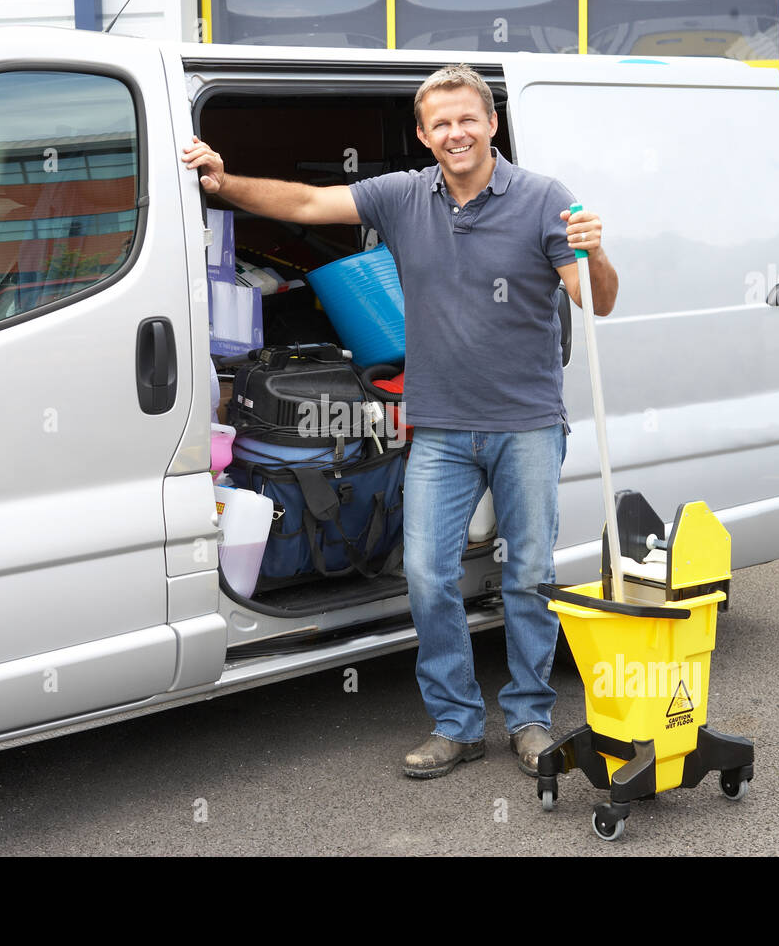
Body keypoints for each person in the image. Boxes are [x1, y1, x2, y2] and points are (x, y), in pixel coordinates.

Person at [182, 63, 618, 779]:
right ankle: (456, 723)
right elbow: (306, 202)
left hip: (526, 423)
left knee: (530, 574)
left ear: (491, 124)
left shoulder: (544, 200)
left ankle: (532, 718)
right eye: (440, 123)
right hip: (440, 426)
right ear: (422, 134)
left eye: (467, 119)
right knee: (425, 572)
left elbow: (595, 303)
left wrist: (594, 250)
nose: (455, 133)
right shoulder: (403, 196)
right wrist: (225, 184)